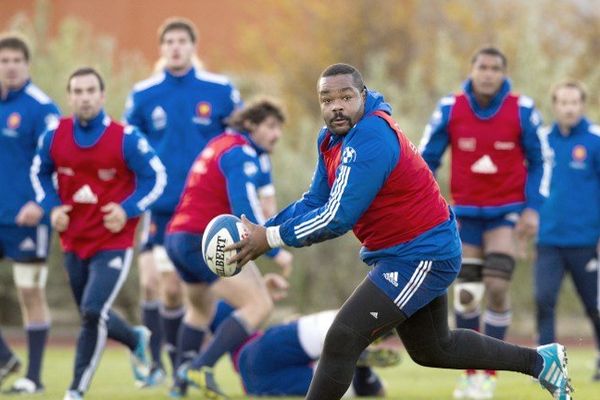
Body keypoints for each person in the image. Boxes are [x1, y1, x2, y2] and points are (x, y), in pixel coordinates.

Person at [227, 63, 572, 400]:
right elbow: (316, 199)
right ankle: (541, 362)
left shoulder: (371, 138)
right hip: (407, 252)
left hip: (422, 254)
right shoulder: (331, 139)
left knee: (343, 338)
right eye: (327, 100)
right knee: (435, 349)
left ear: (362, 96)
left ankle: (539, 362)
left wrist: (270, 239)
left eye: (346, 97)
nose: (336, 107)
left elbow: (336, 216)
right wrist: (261, 232)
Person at [31, 67, 167, 400]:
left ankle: (76, 390)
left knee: (92, 312)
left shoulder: (125, 137)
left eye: (91, 90)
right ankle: (135, 339)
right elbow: (38, 173)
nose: (84, 97)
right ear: (69, 97)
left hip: (114, 241)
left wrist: (128, 209)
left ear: (102, 96)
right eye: (77, 91)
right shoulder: (54, 135)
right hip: (73, 241)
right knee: (93, 312)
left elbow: (157, 178)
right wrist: (52, 207)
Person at [419, 46, 546, 398]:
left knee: (498, 285)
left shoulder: (522, 110)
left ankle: (490, 371)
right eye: (482, 67)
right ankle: (472, 373)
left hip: (506, 212)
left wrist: (533, 209)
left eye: (495, 68)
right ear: (471, 70)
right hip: (465, 214)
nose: (488, 73)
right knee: (466, 294)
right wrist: (426, 203)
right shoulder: (451, 107)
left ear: (504, 73)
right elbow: (424, 159)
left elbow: (541, 160)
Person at [123, 17, 242, 383]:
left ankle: (181, 366)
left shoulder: (220, 90)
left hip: (205, 210)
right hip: (161, 208)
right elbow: (127, 151)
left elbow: (240, 144)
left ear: (193, 46)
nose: (175, 47)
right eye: (169, 42)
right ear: (162, 49)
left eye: (182, 41)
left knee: (191, 292)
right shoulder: (143, 95)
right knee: (161, 287)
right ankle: (163, 363)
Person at [165, 97, 292, 398]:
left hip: (178, 238)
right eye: (270, 126)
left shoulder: (223, 143)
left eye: (279, 128)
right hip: (201, 239)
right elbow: (244, 206)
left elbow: (263, 197)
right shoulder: (240, 153)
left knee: (199, 310)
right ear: (250, 125)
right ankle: (200, 366)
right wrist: (276, 250)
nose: (277, 134)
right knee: (260, 304)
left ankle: (179, 386)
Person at [0, 34, 60, 394]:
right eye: (3, 61)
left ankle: (33, 378)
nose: (9, 67)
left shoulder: (41, 108)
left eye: (15, 61)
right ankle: (6, 358)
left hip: (26, 218)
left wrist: (42, 203)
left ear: (27, 65)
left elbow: (58, 161)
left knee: (29, 294)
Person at [534, 80, 600, 381]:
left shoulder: (595, 140)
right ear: (555, 105)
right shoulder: (542, 141)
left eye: (575, 102)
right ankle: (549, 367)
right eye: (563, 102)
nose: (569, 108)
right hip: (548, 240)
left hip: (587, 242)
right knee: (544, 301)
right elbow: (531, 185)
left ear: (582, 105)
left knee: (594, 307)